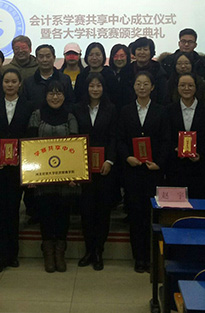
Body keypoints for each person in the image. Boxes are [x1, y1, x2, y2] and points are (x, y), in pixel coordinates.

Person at [117, 71, 171, 273]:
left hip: (152, 171)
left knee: (151, 216)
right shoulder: (125, 110)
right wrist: (127, 157)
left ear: (152, 87)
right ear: (133, 87)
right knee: (135, 215)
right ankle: (138, 258)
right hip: (132, 171)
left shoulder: (161, 111)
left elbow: (166, 140)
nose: (142, 87)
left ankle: (151, 257)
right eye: (138, 83)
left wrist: (159, 163)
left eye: (146, 83)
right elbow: (120, 139)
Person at [27, 80, 80, 273]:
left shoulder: (70, 117)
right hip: (42, 178)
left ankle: (60, 252)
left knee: (63, 215)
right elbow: (30, 146)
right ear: (45, 95)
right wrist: (30, 175)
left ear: (65, 96)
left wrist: (75, 174)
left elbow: (75, 147)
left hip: (65, 179)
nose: (55, 97)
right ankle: (48, 252)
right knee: (46, 214)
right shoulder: (37, 115)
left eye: (59, 93)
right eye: (51, 93)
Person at [0, 68, 33, 274]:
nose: (10, 84)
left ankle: (12, 254)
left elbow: (31, 136)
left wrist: (22, 157)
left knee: (13, 211)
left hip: (18, 167)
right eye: (6, 81)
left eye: (14, 81)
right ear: (2, 83)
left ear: (20, 84)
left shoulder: (28, 106)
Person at [74, 73, 118, 271]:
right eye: (91, 86)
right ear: (86, 88)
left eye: (98, 85)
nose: (95, 89)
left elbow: (114, 137)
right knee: (86, 211)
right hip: (84, 168)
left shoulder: (111, 109)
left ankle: (99, 250)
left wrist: (110, 160)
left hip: (104, 168)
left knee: (102, 211)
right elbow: (74, 138)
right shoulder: (77, 108)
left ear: (103, 88)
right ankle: (89, 250)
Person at [165, 73, 205, 199]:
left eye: (190, 85)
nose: (186, 88)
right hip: (176, 167)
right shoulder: (169, 110)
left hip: (200, 167)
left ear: (196, 88)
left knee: (199, 203)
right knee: (176, 204)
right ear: (177, 87)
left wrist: (200, 154)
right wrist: (175, 149)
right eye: (182, 85)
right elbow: (165, 137)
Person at [130, 37, 168, 104]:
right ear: (134, 52)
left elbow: (162, 95)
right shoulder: (127, 70)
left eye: (145, 49)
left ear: (151, 52)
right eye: (139, 49)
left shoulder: (159, 71)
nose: (142, 52)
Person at [108, 43, 134, 110]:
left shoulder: (133, 73)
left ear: (127, 57)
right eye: (116, 56)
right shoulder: (107, 73)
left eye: (122, 56)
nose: (119, 59)